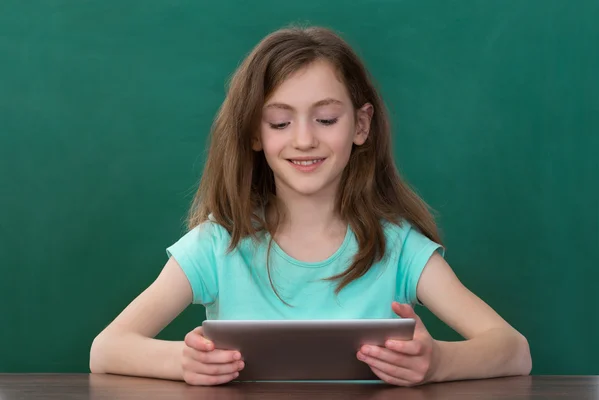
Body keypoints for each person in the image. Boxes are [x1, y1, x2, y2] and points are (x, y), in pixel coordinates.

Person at [89, 26, 532, 387]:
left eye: (325, 119)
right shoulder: (217, 243)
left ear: (361, 125)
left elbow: (514, 350)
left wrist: (437, 363)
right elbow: (107, 349)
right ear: (253, 134)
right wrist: (184, 363)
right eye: (280, 122)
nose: (304, 139)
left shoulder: (398, 248)